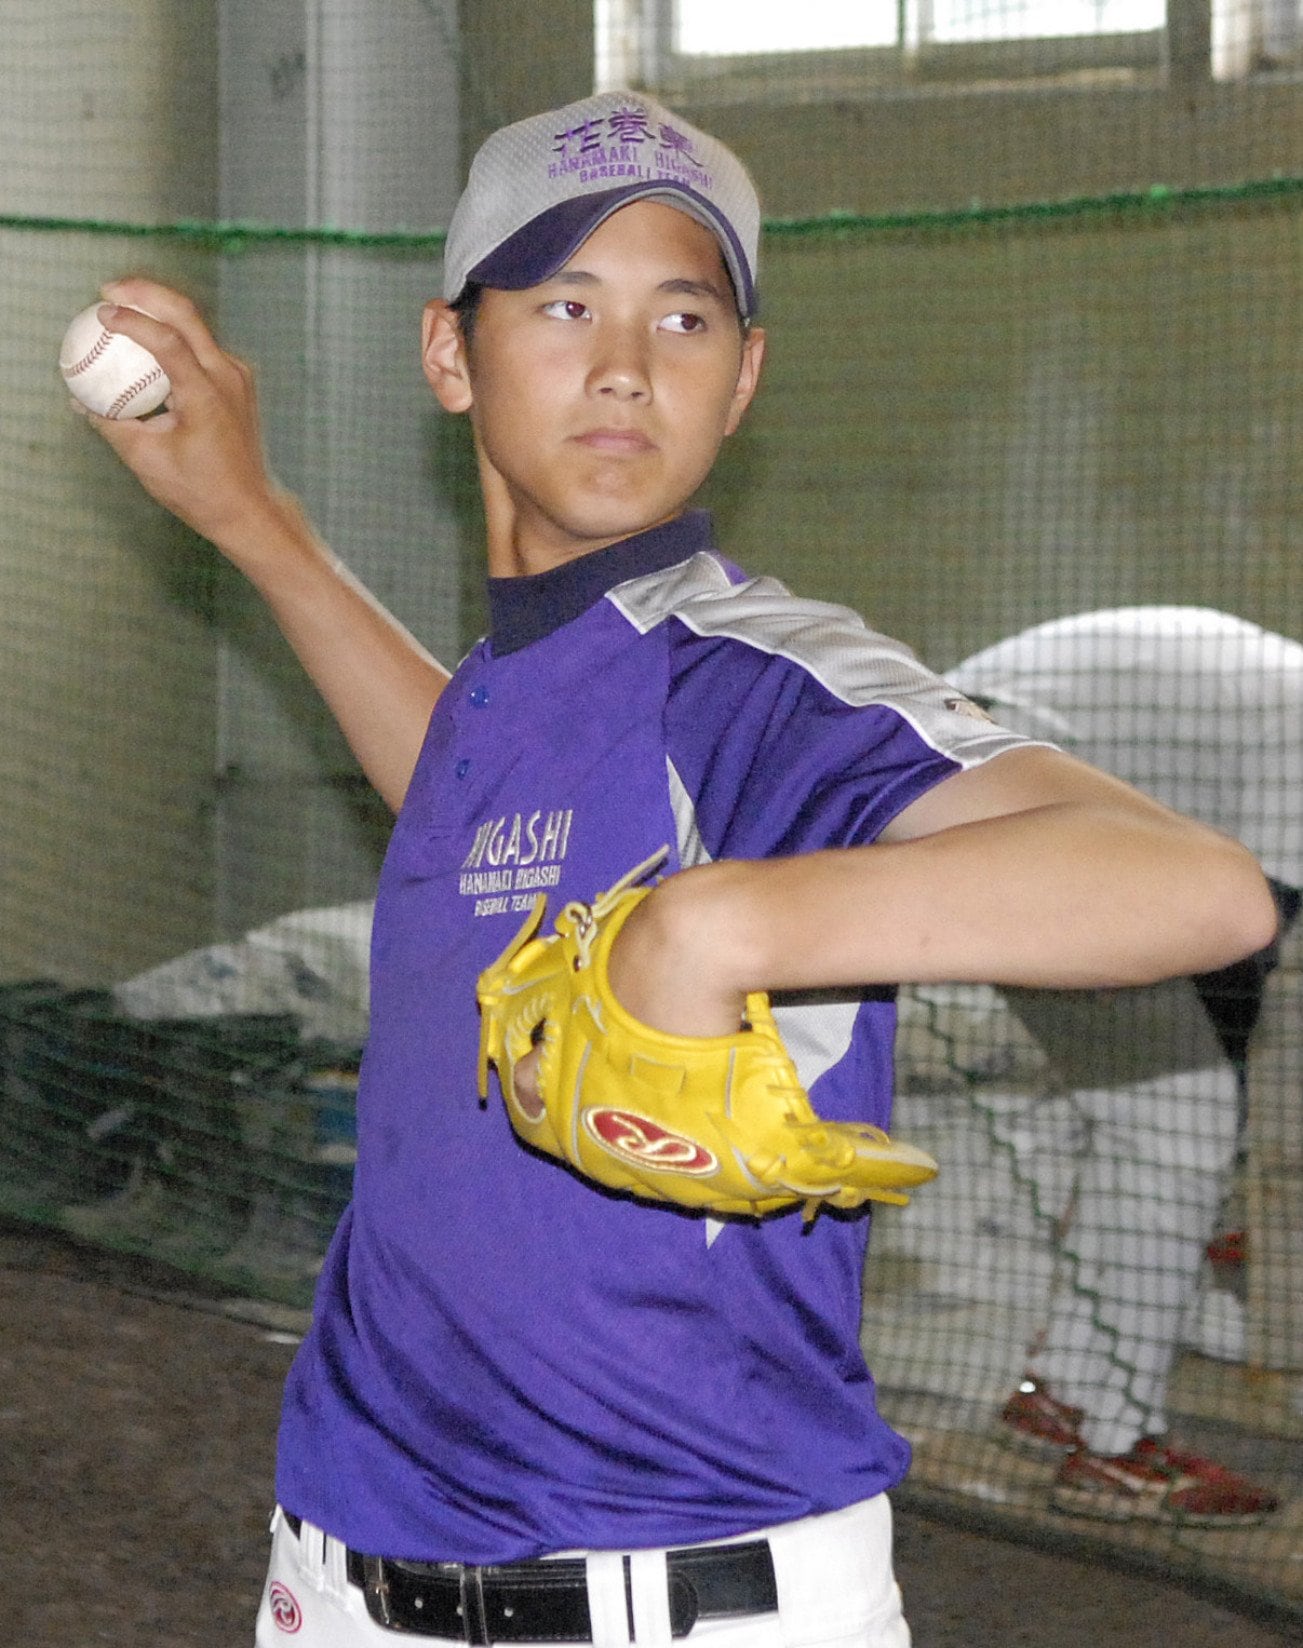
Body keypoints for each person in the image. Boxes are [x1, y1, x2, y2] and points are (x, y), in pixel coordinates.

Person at [78, 91, 1275, 1648]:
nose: (625, 365)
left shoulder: (754, 680)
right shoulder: (520, 690)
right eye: (565, 304)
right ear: (452, 353)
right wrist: (256, 524)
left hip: (670, 1594)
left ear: (743, 379)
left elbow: (1192, 889)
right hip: (346, 1569)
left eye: (685, 316)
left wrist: (717, 920)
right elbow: (460, 780)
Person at [947, 608, 1301, 1525]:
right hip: (999, 810)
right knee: (1178, 1118)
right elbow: (1241, 947)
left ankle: (1064, 1393)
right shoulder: (1292, 726)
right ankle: (1115, 1449)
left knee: (1152, 1112)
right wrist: (1220, 1160)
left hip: (961, 796)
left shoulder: (1264, 690)